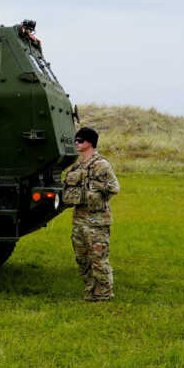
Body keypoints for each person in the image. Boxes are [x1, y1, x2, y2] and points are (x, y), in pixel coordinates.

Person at [62, 126, 120, 301]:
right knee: (82, 259)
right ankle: (90, 289)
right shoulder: (77, 166)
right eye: (76, 140)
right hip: (79, 220)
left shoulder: (101, 164)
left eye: (79, 141)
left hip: (96, 222)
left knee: (98, 259)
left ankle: (103, 293)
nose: (76, 143)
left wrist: (92, 189)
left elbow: (114, 187)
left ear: (89, 143)